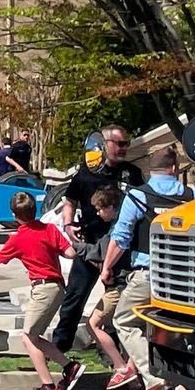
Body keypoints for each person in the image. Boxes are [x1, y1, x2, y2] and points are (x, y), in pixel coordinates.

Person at [103, 146, 195, 390]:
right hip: (186, 277)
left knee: (123, 320)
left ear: (149, 170)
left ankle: (153, 377)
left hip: (150, 275)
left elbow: (121, 237)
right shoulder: (194, 197)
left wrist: (107, 267)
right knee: (167, 329)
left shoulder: (137, 196)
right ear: (175, 168)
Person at [0, 192, 82, 390]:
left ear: (14, 215)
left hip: (42, 288)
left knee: (28, 336)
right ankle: (69, 367)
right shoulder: (49, 229)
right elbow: (70, 253)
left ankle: (48, 384)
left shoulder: (18, 238)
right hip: (57, 287)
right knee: (35, 335)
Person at [52, 124, 144, 352]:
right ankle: (60, 347)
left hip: (119, 248)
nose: (124, 149)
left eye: (126, 144)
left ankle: (112, 352)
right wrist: (68, 224)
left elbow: (144, 205)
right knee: (75, 296)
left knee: (114, 301)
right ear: (105, 145)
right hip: (89, 243)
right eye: (119, 144)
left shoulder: (131, 173)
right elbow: (70, 200)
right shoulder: (86, 173)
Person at [78, 186, 138, 390]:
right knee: (130, 328)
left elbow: (100, 252)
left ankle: (122, 367)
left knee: (93, 324)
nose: (97, 213)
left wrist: (76, 246)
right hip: (128, 283)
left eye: (100, 209)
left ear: (112, 207)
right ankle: (132, 372)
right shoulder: (128, 224)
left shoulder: (117, 229)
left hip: (118, 286)